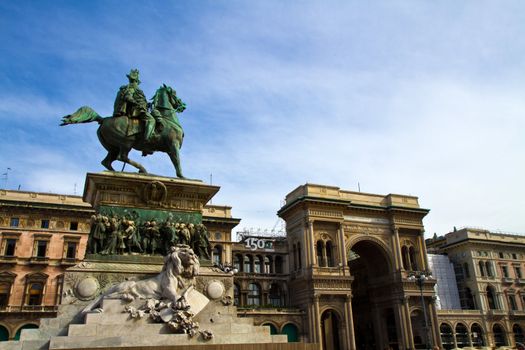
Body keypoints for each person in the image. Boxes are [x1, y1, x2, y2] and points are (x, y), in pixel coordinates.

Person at [113, 69, 156, 142]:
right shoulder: (130, 87)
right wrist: (137, 103)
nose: (136, 82)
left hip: (139, 108)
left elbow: (139, 99)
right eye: (135, 80)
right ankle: (147, 140)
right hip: (135, 110)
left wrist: (147, 104)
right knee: (151, 120)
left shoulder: (133, 88)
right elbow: (128, 97)